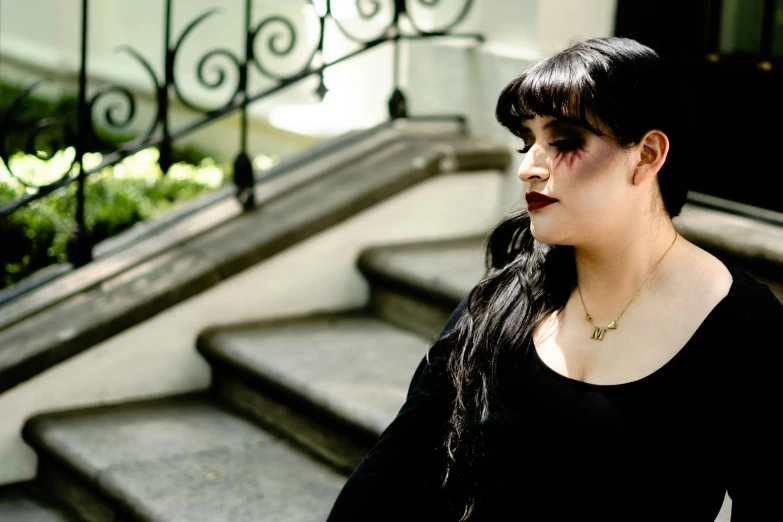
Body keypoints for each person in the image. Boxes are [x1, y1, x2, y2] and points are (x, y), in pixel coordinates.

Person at [325, 36, 783, 521]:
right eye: (527, 143)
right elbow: (389, 476)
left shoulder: (746, 327)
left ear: (647, 155)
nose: (527, 169)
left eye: (563, 142)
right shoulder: (505, 299)